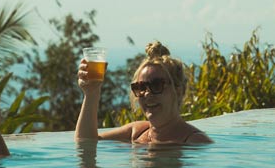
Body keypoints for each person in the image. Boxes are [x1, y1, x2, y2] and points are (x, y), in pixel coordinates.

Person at [75, 41, 212, 144]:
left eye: (156, 85)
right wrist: (92, 93)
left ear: (178, 90)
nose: (147, 94)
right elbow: (86, 143)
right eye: (140, 87)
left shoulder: (194, 141)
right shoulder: (136, 133)